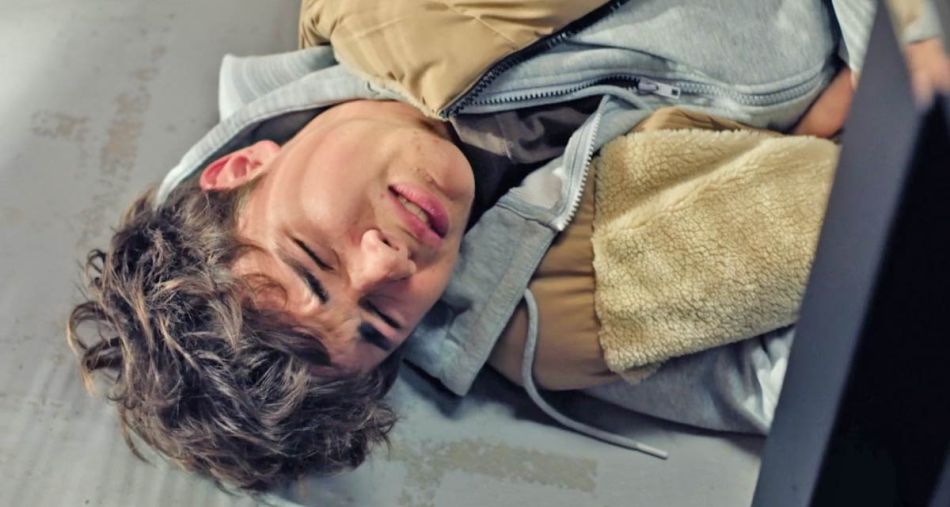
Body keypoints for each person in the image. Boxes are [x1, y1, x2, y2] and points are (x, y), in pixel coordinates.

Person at [67, 0, 947, 492]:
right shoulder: (552, 323)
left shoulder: (392, 11)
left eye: (316, 258)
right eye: (380, 321)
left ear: (241, 166)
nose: (389, 264)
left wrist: (898, 49)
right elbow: (845, 377)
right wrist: (877, 118)